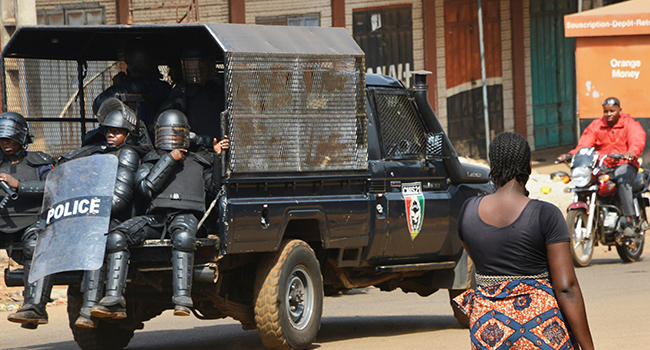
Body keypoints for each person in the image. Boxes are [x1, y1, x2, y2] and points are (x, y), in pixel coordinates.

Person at [7, 99, 146, 329]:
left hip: (110, 219)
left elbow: (119, 200)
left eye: (117, 131)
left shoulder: (128, 154)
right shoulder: (96, 151)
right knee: (46, 238)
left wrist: (89, 206)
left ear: (129, 133)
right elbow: (66, 171)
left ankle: (88, 310)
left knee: (94, 240)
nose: (111, 135)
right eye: (108, 130)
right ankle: (34, 306)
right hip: (86, 213)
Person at [453, 132, 594, 350]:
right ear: (528, 167)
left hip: (489, 330)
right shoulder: (545, 214)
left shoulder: (468, 211)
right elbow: (566, 287)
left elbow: (479, 260)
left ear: (493, 167)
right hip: (541, 329)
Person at [90, 109, 227, 319]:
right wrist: (169, 160)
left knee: (183, 237)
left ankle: (182, 299)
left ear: (185, 134)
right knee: (117, 237)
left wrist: (218, 158)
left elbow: (214, 188)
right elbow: (146, 188)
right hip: (156, 219)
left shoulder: (200, 160)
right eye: (167, 133)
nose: (172, 138)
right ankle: (114, 299)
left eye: (176, 133)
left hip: (186, 215)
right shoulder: (151, 159)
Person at [557, 97, 646, 238]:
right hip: (603, 166)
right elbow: (584, 144)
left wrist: (632, 152)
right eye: (606, 111)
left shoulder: (629, 124)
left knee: (622, 179)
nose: (609, 114)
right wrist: (570, 155)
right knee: (585, 182)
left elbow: (637, 139)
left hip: (624, 164)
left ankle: (629, 220)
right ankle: (587, 217)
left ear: (619, 110)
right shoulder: (596, 125)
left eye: (612, 111)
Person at [1, 112, 56, 329]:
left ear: (22, 138)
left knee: (35, 244)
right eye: (2, 139)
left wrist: (19, 186)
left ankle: (34, 307)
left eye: (10, 139)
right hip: (4, 222)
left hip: (31, 222)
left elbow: (54, 187)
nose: (6, 144)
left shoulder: (39, 162)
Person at [158, 47, 225, 144]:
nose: (197, 69)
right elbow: (166, 124)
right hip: (196, 150)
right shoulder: (182, 92)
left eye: (201, 64)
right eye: (192, 65)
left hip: (222, 145)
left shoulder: (220, 88)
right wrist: (200, 140)